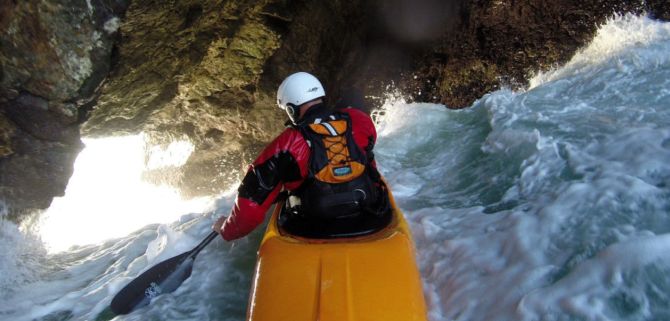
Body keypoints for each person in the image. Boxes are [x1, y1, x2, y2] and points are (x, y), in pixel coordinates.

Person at [213, 72, 389, 241]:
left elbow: (249, 206)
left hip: (314, 225)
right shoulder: (360, 120)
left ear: (291, 109)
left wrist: (226, 229)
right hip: (367, 209)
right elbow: (368, 154)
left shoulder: (288, 143)